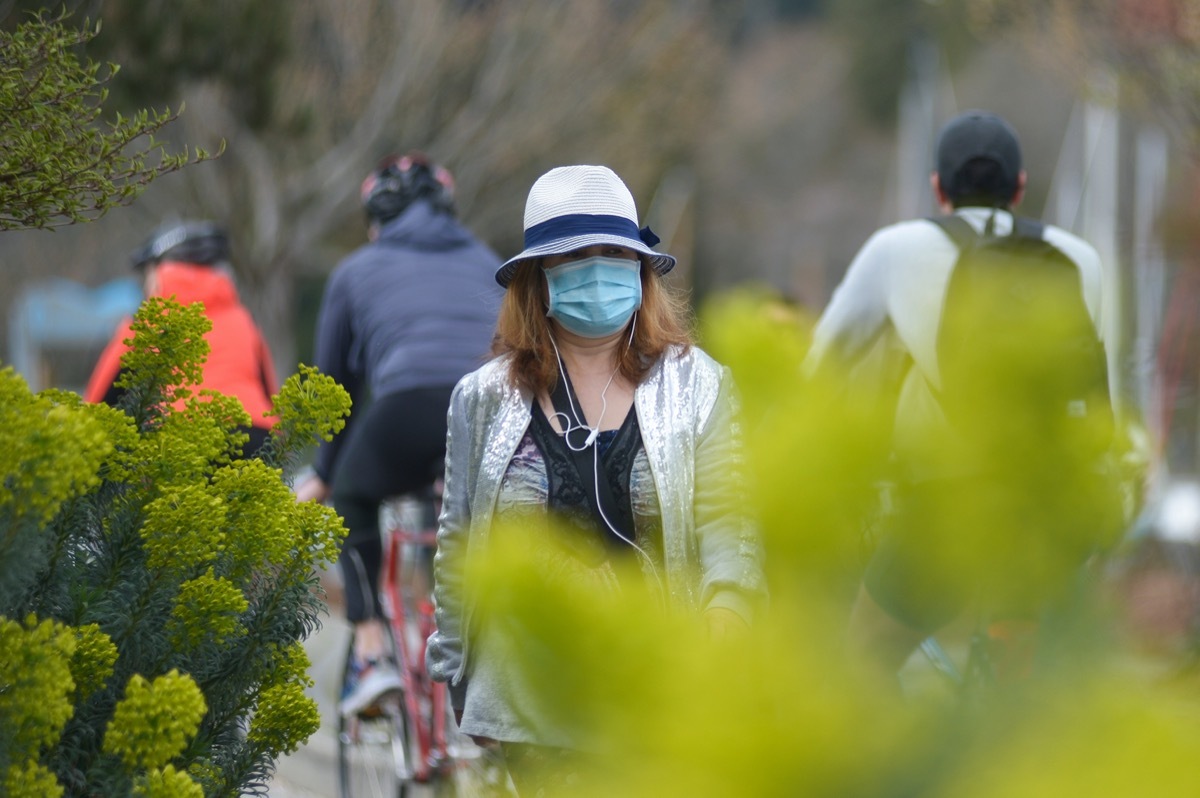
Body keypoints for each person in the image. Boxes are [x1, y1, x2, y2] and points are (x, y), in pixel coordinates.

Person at [424, 164, 767, 792]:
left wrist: (724, 632)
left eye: (614, 252)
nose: (598, 268)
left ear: (641, 269)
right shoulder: (482, 399)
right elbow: (460, 544)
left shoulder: (702, 385)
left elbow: (731, 526)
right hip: (527, 701)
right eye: (576, 255)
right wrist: (457, 675)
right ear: (537, 278)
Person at [804, 110, 1120, 680]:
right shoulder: (1081, 260)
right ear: (1019, 188)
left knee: (861, 668)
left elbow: (820, 371)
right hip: (1046, 517)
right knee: (1017, 692)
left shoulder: (895, 249)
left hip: (940, 511)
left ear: (937, 188)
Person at [294, 152, 503, 716]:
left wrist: (326, 474)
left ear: (375, 220)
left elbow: (336, 389)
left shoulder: (356, 271)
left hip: (409, 408)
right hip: (494, 409)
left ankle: (371, 650)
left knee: (355, 497)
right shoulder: (489, 261)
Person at [85, 220, 279, 456]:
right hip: (256, 438)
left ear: (158, 273)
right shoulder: (244, 320)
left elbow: (96, 405)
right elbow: (271, 399)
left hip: (182, 438)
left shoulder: (145, 323)